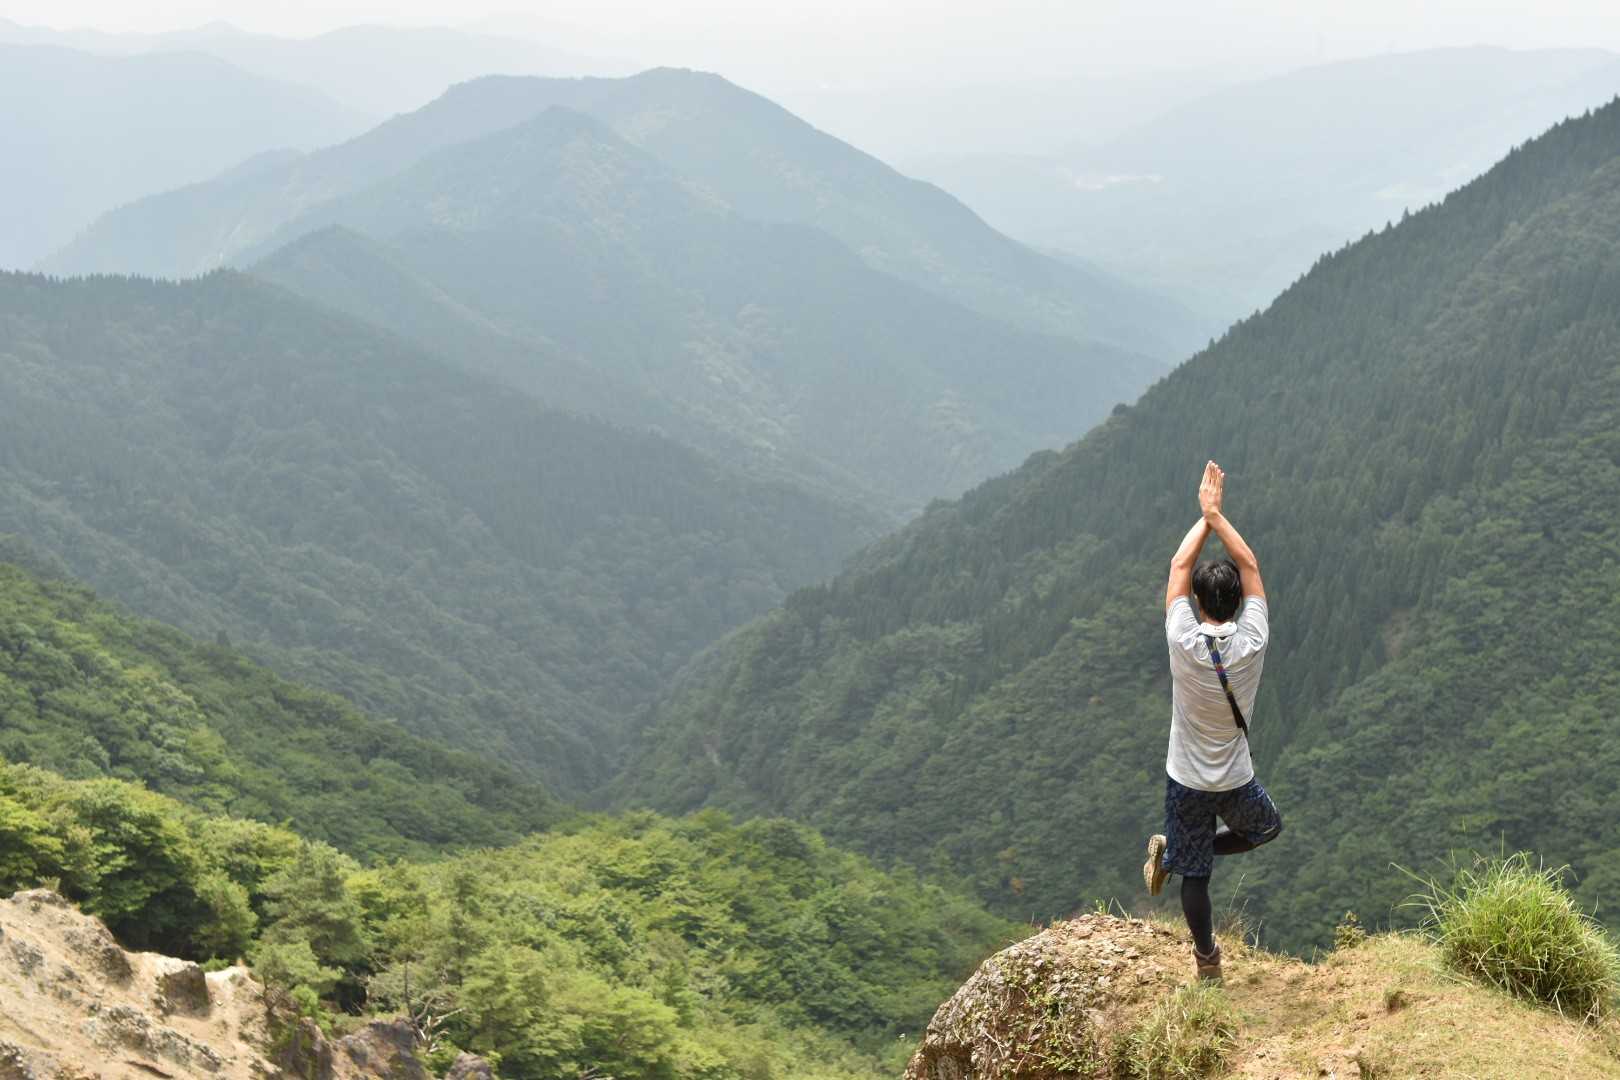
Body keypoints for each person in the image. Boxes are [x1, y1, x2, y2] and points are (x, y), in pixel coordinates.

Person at [1142, 460, 1282, 982]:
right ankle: (1184, 850)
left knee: (1194, 877)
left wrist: (1203, 517)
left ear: (1198, 602)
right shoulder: (1253, 641)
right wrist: (1219, 517)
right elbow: (1251, 565)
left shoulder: (1182, 638)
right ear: (1241, 603)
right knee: (1265, 827)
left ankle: (1207, 961)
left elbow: (1179, 566)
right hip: (1235, 779)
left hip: (1185, 779)